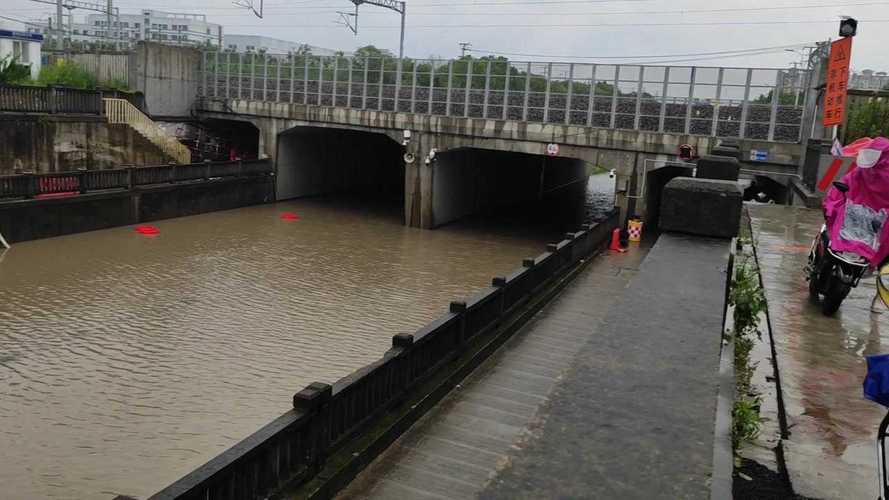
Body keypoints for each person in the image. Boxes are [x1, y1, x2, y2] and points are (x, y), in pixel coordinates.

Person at [823, 136, 889, 270]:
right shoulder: (864, 170)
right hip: (855, 216)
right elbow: (845, 183)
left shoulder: (868, 171)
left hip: (875, 224)